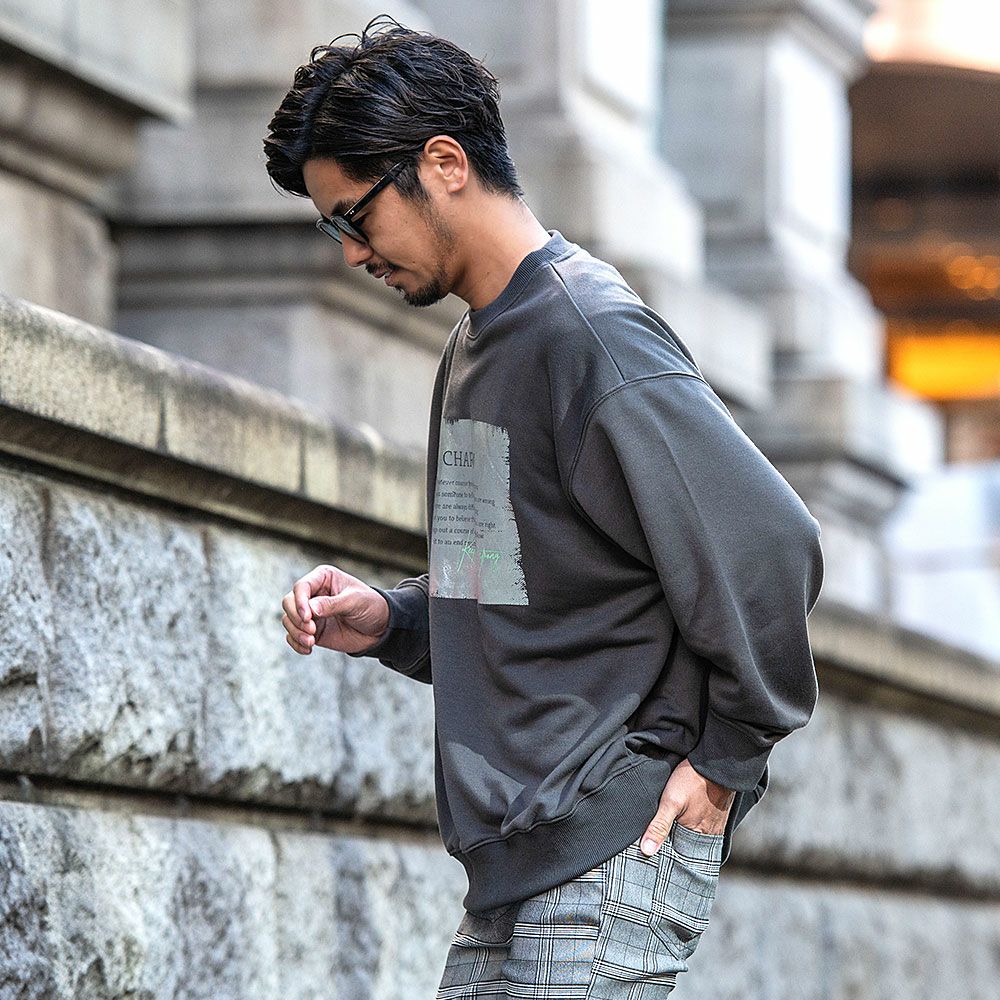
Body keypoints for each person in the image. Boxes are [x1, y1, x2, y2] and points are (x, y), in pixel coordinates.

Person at [265, 14, 824, 997]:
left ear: (443, 164)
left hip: (610, 845)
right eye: (333, 227)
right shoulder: (476, 346)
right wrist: (392, 617)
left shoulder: (587, 333)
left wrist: (725, 761)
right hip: (517, 860)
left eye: (354, 216)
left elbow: (772, 544)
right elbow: (507, 588)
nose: (351, 254)